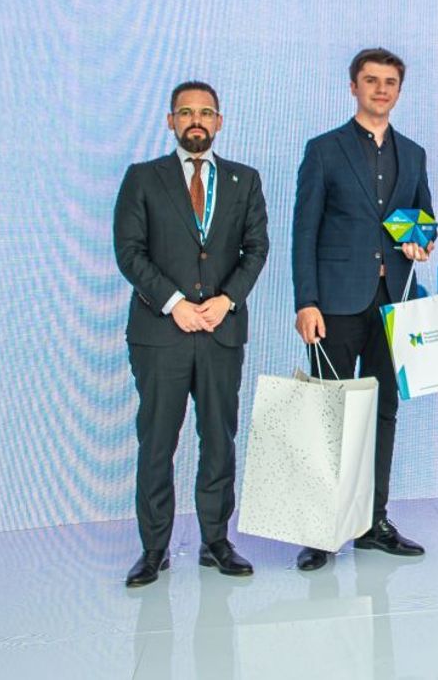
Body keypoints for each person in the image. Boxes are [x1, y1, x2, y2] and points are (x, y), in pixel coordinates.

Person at [113, 80, 270, 587]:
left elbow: (256, 248)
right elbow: (129, 251)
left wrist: (226, 300)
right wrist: (175, 304)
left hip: (221, 332)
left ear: (219, 122)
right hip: (162, 333)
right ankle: (153, 549)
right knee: (157, 442)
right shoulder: (143, 178)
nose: (196, 120)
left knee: (219, 440)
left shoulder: (245, 180)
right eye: (186, 112)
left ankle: (216, 542)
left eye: (205, 112)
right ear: (170, 121)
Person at [291, 47, 434, 570]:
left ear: (399, 90)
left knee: (383, 412)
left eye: (389, 82)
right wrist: (306, 302)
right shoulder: (324, 150)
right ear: (354, 87)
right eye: (371, 80)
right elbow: (304, 232)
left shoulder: (413, 153)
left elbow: (424, 217)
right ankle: (321, 529)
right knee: (327, 415)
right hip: (334, 304)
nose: (381, 89)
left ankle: (373, 522)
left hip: (392, 304)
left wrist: (421, 240)